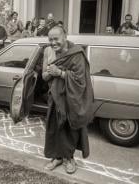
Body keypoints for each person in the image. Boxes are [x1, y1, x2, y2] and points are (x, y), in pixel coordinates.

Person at [42, 26, 94, 174]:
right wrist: (51, 72)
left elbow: (80, 80)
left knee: (70, 129)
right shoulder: (48, 51)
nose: (53, 42)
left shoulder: (76, 53)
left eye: (56, 39)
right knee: (55, 127)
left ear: (65, 36)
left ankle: (69, 158)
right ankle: (57, 157)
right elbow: (44, 77)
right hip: (55, 97)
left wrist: (59, 72)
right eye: (50, 39)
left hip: (72, 99)